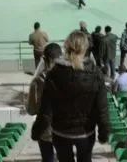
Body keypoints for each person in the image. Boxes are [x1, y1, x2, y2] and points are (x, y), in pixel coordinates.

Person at [32, 31, 110, 162]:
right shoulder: (96, 74)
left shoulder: (53, 74)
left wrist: (37, 132)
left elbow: (46, 110)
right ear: (85, 48)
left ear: (66, 47)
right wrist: (104, 133)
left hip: (60, 133)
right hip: (86, 133)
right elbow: (102, 108)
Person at [28, 43, 62, 162]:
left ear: (44, 59)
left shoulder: (37, 82)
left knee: (48, 158)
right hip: (65, 130)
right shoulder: (71, 77)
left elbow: (31, 110)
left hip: (45, 130)